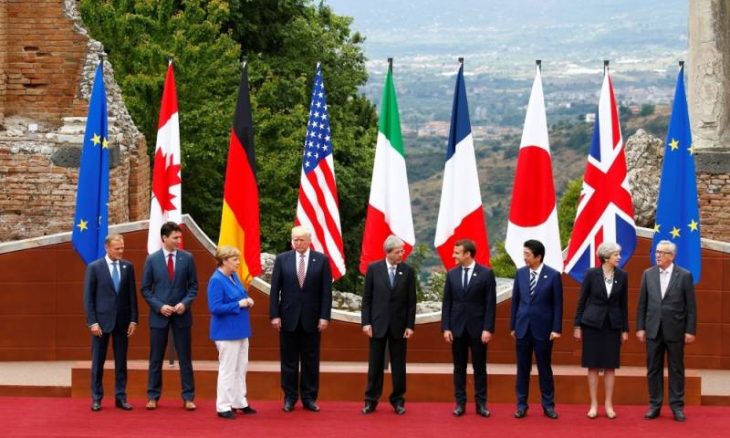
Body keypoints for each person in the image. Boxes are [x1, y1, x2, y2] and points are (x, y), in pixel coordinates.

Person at [269, 225, 332, 413]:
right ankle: (290, 397)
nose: (297, 243)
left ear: (309, 241)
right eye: (295, 239)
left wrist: (324, 316)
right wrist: (274, 315)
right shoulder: (282, 259)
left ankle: (309, 397)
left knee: (310, 361)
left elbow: (326, 292)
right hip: (288, 318)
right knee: (288, 361)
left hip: (312, 319)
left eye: (301, 240)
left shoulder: (321, 260)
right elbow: (275, 290)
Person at [636, 240, 697, 422]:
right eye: (656, 252)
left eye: (662, 253)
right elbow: (642, 304)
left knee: (676, 369)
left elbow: (691, 307)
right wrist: (640, 327)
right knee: (653, 369)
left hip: (675, 330)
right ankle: (654, 405)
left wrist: (690, 330)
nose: (658, 255)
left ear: (672, 256)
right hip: (653, 329)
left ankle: (677, 406)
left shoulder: (684, 275)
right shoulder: (648, 274)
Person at [141, 221, 198, 410]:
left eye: (179, 237)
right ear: (164, 238)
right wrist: (159, 307)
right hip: (159, 317)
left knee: (185, 358)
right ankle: (152, 396)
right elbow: (145, 289)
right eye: (175, 238)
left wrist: (184, 303)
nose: (178, 241)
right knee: (156, 358)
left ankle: (188, 397)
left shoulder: (187, 258)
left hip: (182, 316)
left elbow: (193, 287)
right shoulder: (152, 260)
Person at [361, 235, 417, 416]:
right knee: (375, 365)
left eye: (402, 251)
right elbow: (367, 299)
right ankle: (371, 400)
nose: (402, 254)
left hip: (399, 327)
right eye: (398, 252)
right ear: (388, 252)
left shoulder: (408, 271)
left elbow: (411, 302)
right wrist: (366, 323)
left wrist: (410, 325)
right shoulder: (374, 269)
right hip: (377, 325)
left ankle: (398, 400)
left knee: (399, 366)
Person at [83, 233, 138, 412]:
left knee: (121, 363)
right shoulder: (94, 267)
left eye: (122, 248)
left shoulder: (128, 267)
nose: (121, 251)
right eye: (117, 248)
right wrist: (92, 322)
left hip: (122, 322)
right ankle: (96, 398)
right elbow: (88, 298)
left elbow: (132, 295)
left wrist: (133, 319)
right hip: (101, 323)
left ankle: (121, 397)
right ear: (107, 248)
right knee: (98, 362)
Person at [573, 242, 628, 419]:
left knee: (611, 365)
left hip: (613, 326)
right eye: (616, 254)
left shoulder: (622, 275)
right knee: (593, 365)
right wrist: (577, 326)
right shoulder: (591, 274)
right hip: (592, 325)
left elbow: (624, 305)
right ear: (606, 257)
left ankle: (608, 404)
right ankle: (594, 404)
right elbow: (582, 301)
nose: (619, 257)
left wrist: (625, 329)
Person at [441, 239, 496, 417]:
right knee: (459, 367)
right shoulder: (452, 274)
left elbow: (490, 304)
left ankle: (481, 404)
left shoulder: (486, 274)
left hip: (478, 329)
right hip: (457, 329)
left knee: (479, 368)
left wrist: (488, 328)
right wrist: (446, 327)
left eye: (457, 253)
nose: (453, 255)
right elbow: (447, 303)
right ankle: (460, 403)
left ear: (468, 254)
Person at [510, 239, 563, 419]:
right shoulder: (520, 274)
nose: (524, 257)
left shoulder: (553, 275)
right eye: (524, 254)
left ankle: (548, 405)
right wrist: (513, 326)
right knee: (522, 369)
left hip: (544, 330)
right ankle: (521, 405)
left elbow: (558, 305)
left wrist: (556, 328)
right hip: (522, 328)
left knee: (544, 368)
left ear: (538, 257)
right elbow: (516, 301)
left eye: (527, 254)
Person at [207, 246, 257, 419]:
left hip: (241, 330)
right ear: (224, 261)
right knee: (228, 369)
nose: (238, 262)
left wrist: (247, 299)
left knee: (241, 368)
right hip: (226, 332)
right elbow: (215, 307)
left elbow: (240, 295)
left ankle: (239, 402)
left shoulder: (234, 276)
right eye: (235, 259)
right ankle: (223, 406)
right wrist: (239, 304)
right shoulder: (216, 280)